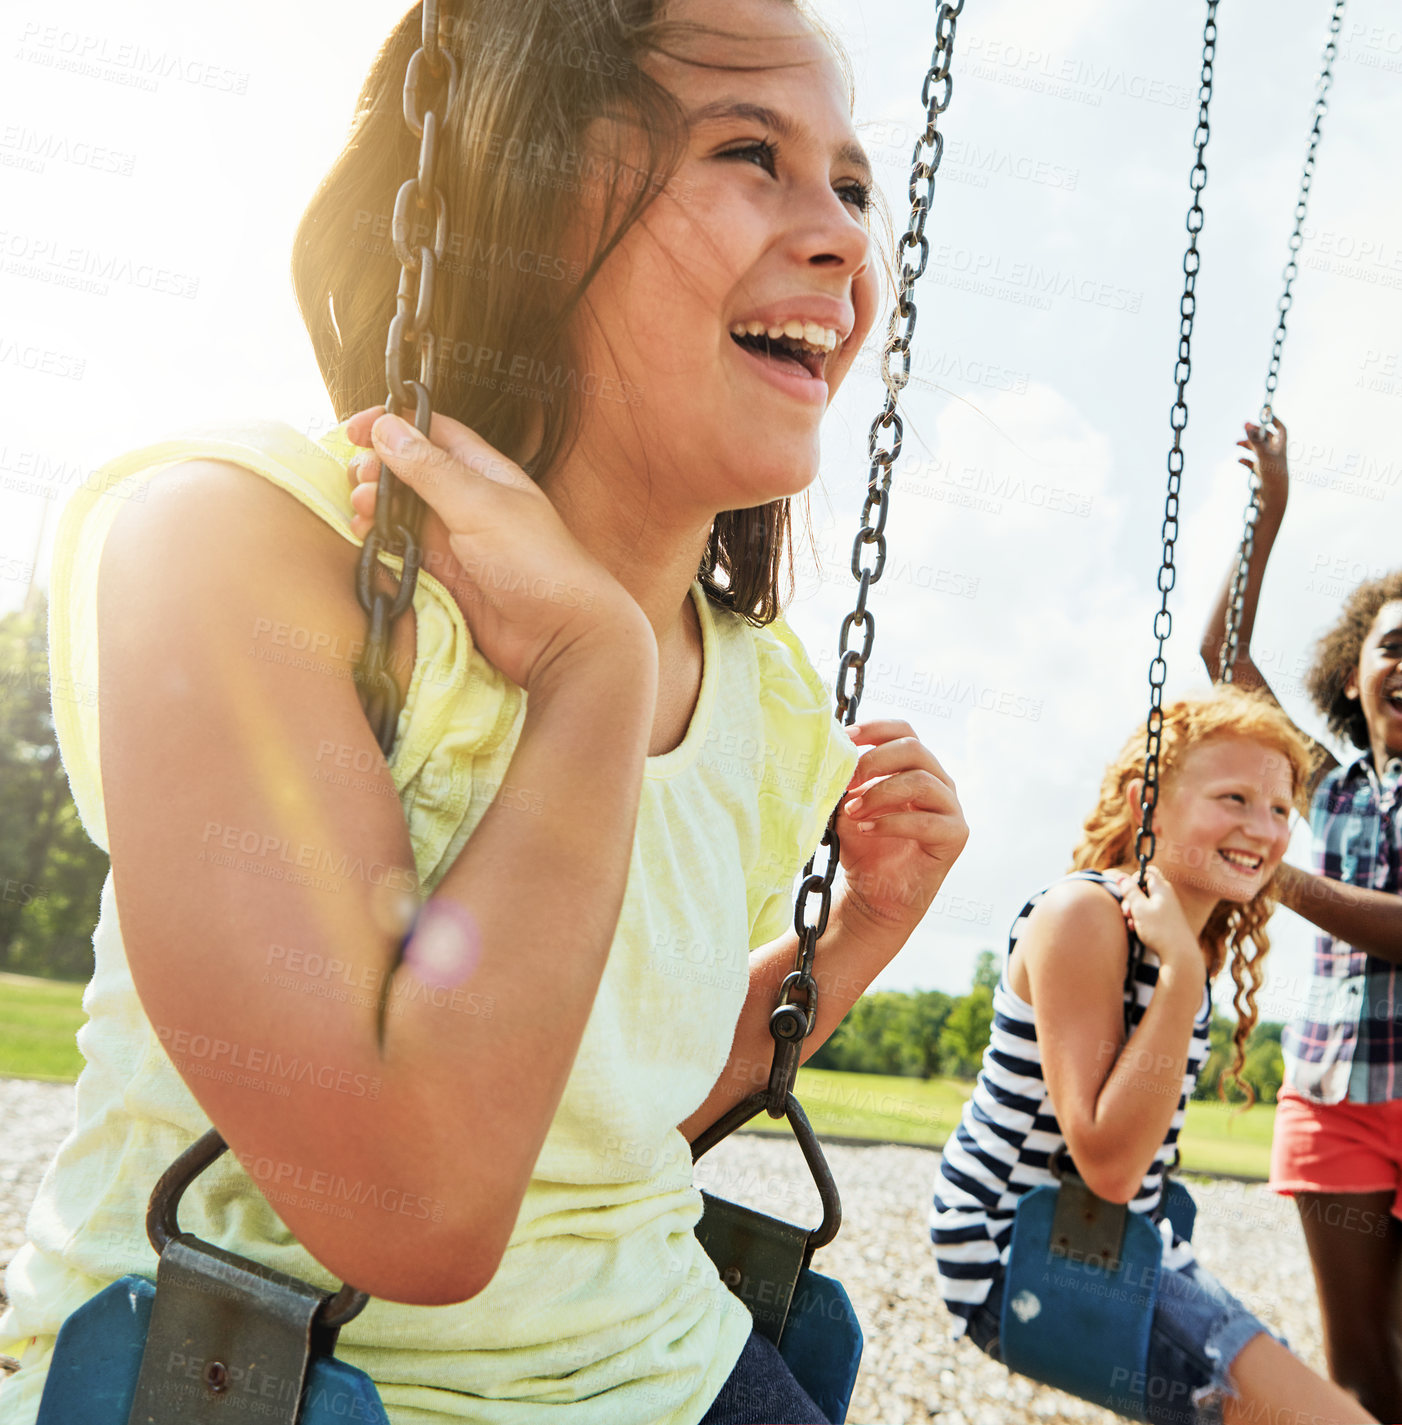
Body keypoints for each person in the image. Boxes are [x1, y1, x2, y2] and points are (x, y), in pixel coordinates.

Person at [0, 3, 971, 1423]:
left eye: (851, 185)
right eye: (748, 151)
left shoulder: (761, 698)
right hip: (290, 1383)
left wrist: (859, 938)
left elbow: (599, 1114)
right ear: (515, 191)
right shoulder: (239, 549)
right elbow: (409, 1203)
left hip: (673, 1364)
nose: (838, 236)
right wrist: (587, 674)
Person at [929, 686, 1377, 1425]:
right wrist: (1182, 979)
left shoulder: (1178, 948)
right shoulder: (1084, 915)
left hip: (1124, 1238)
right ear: (1148, 803)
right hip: (1019, 1244)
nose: (1261, 828)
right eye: (1233, 796)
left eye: (1278, 809)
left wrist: (1181, 971)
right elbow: (1105, 1166)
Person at [1200, 416, 1402, 1419]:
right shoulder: (1328, 781)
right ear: (1352, 667)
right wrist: (1266, 510)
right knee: (1360, 1362)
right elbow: (1219, 648)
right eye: (1394, 647)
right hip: (1336, 1093)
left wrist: (1273, 873)